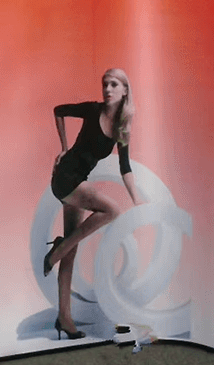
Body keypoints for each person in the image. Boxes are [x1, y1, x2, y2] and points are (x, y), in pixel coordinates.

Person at [42, 68, 140, 340]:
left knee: (71, 250)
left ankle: (64, 318)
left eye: (114, 84)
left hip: (79, 183)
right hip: (65, 178)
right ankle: (58, 249)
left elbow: (125, 167)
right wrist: (63, 148)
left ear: (125, 91)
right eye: (105, 84)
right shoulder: (92, 109)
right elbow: (58, 110)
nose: (107, 89)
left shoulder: (121, 128)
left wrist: (138, 199)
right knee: (112, 210)